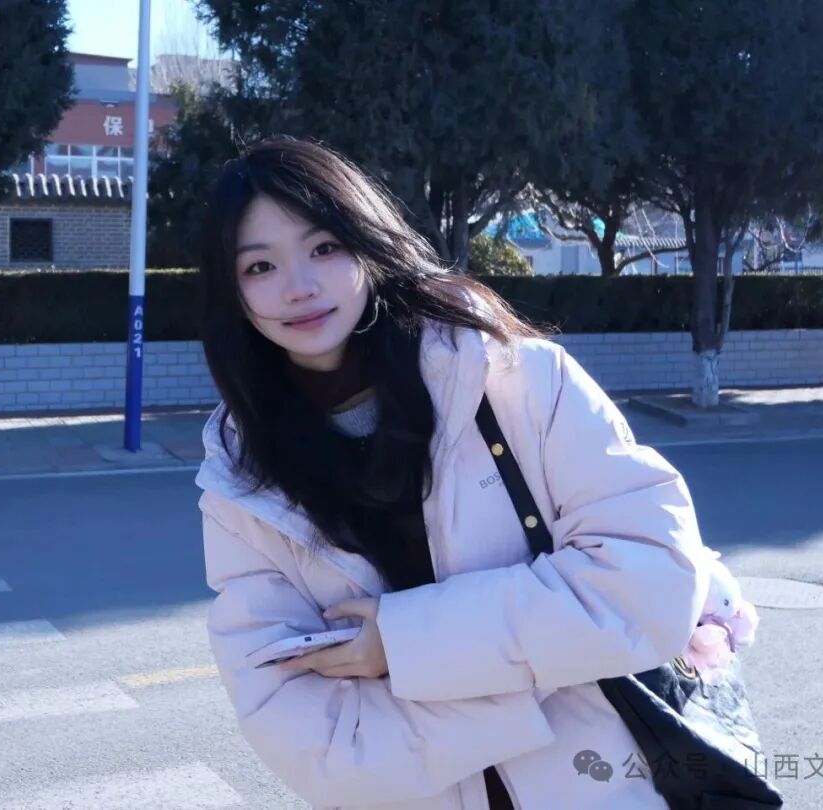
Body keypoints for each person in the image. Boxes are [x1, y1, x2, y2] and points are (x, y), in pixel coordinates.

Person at [195, 136, 711, 809]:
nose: (300, 286)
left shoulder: (517, 379)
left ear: (368, 242)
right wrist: (537, 675)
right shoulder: (241, 481)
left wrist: (404, 645)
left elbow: (652, 581)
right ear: (231, 291)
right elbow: (313, 741)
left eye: (325, 247)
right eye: (260, 266)